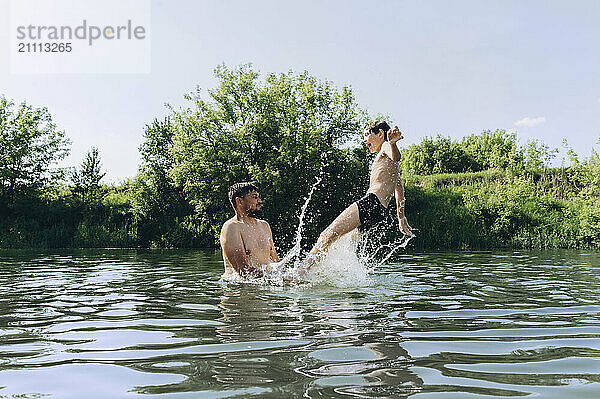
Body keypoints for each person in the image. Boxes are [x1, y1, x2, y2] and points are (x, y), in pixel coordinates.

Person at [307, 121, 412, 267]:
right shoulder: (389, 165)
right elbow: (399, 189)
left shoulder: (386, 147)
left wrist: (393, 143)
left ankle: (299, 274)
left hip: (372, 202)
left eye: (367, 135)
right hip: (379, 211)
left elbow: (396, 157)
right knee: (340, 244)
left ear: (380, 134)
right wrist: (401, 217)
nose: (364, 140)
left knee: (327, 235)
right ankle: (325, 273)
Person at [220, 182, 280, 278]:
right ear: (239, 201)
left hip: (264, 287)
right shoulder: (231, 227)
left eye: (258, 197)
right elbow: (243, 271)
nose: (259, 201)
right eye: (254, 197)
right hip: (240, 290)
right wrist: (278, 277)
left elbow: (275, 262)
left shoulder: (264, 226)